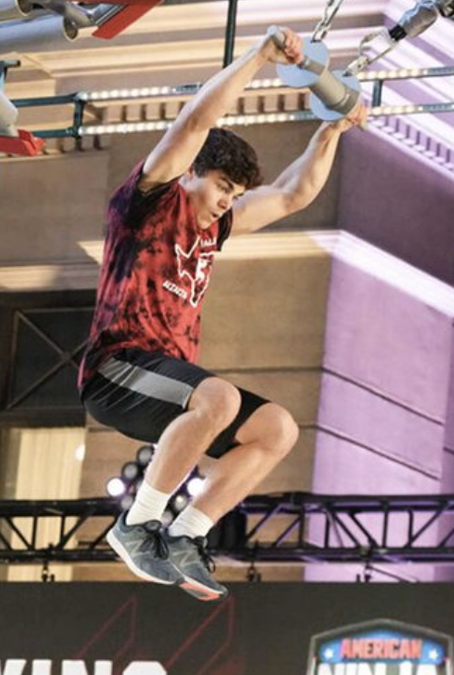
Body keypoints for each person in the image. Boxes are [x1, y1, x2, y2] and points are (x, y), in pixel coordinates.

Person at [78, 27, 369, 601]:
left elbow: (291, 195)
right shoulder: (149, 200)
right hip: (116, 371)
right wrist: (259, 57)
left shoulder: (219, 226)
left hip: (167, 393)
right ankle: (136, 525)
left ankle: (187, 533)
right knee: (221, 399)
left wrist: (331, 129)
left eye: (235, 195)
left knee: (277, 429)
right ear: (191, 173)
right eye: (221, 189)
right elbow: (194, 123)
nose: (225, 204)